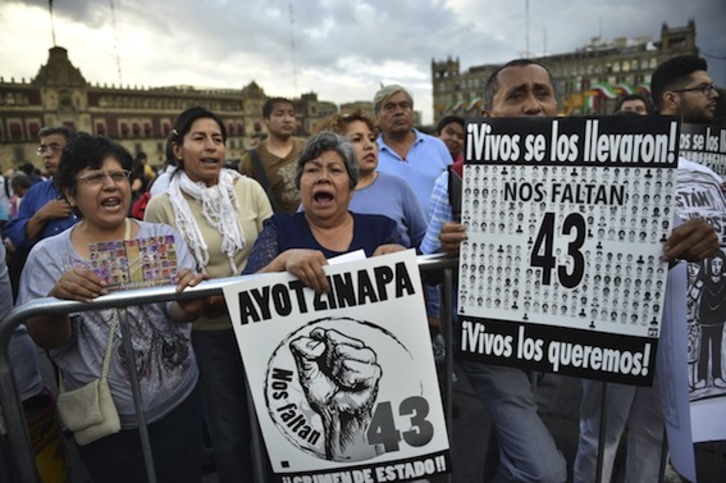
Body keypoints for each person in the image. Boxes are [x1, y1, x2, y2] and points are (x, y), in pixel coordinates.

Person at [18, 133, 207, 483]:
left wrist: (190, 303)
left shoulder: (161, 238)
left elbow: (176, 313)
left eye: (118, 174)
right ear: (71, 194)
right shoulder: (48, 257)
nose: (111, 185)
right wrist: (55, 304)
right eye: (94, 177)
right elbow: (50, 339)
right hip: (106, 419)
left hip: (178, 404)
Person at [574, 53, 722, 483]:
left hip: (678, 327)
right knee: (600, 435)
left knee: (654, 434)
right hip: (614, 323)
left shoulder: (705, 176)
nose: (714, 95)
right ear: (671, 99)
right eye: (704, 88)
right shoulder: (603, 171)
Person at [145, 106, 273, 483]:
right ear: (177, 149)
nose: (211, 147)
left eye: (217, 139)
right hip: (205, 334)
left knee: (274, 419)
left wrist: (231, 294)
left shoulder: (248, 189)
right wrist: (209, 301)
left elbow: (270, 246)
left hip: (261, 322)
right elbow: (163, 283)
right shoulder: (162, 207)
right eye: (199, 138)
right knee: (228, 430)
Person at [243, 131, 405, 291]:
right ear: (299, 185)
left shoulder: (382, 230)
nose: (323, 177)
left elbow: (417, 298)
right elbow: (241, 294)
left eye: (335, 170)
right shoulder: (278, 229)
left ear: (351, 189)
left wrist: (405, 263)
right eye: (313, 170)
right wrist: (281, 263)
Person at [314, 110, 427, 249]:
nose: (369, 145)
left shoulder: (398, 186)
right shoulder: (319, 192)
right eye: (357, 139)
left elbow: (423, 242)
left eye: (372, 139)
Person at [4, 127, 79, 300]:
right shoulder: (35, 193)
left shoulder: (89, 188)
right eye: (43, 149)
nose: (47, 155)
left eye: (55, 148)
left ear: (72, 151)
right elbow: (16, 236)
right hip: (46, 282)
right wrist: (41, 215)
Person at [373, 85, 451, 217]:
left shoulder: (437, 146)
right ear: (377, 117)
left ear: (411, 112)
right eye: (390, 107)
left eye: (404, 106)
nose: (399, 112)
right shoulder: (371, 155)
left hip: (442, 235)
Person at [239, 97, 306, 213]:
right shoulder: (251, 160)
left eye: (291, 115)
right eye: (279, 114)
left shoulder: (308, 148)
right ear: (266, 121)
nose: (287, 119)